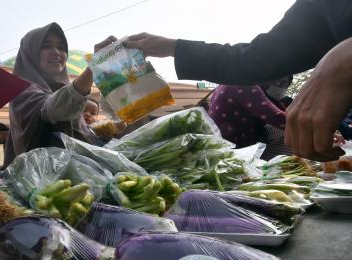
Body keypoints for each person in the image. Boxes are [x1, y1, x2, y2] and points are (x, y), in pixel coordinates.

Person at [122, 0, 352, 161]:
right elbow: (254, 59)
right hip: (237, 150)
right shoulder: (243, 88)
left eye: (285, 82)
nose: (282, 85)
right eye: (281, 80)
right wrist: (172, 47)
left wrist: (344, 57)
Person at [3, 23, 115, 167]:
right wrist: (95, 65)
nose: (56, 52)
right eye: (46, 46)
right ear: (30, 52)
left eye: (61, 48)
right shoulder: (23, 90)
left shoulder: (64, 89)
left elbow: (81, 137)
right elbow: (54, 108)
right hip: (45, 184)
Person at [208, 76, 292, 149]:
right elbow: (276, 117)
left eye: (285, 84)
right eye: (278, 82)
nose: (281, 87)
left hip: (218, 145)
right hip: (231, 150)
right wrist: (302, 124)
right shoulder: (244, 83)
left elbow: (275, 107)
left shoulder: (228, 81)